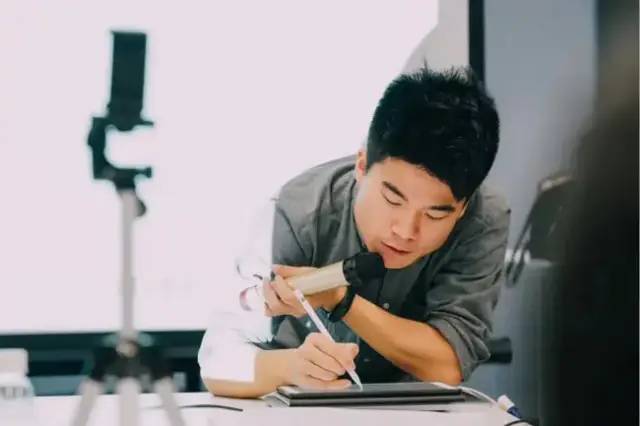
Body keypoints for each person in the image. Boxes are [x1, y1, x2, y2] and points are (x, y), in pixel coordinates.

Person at [198, 66, 510, 398]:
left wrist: (341, 300)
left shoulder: (482, 218)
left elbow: (448, 365)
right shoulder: (298, 211)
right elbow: (217, 364)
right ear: (361, 165)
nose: (406, 231)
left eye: (434, 214)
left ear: (463, 206)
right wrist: (289, 368)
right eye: (392, 199)